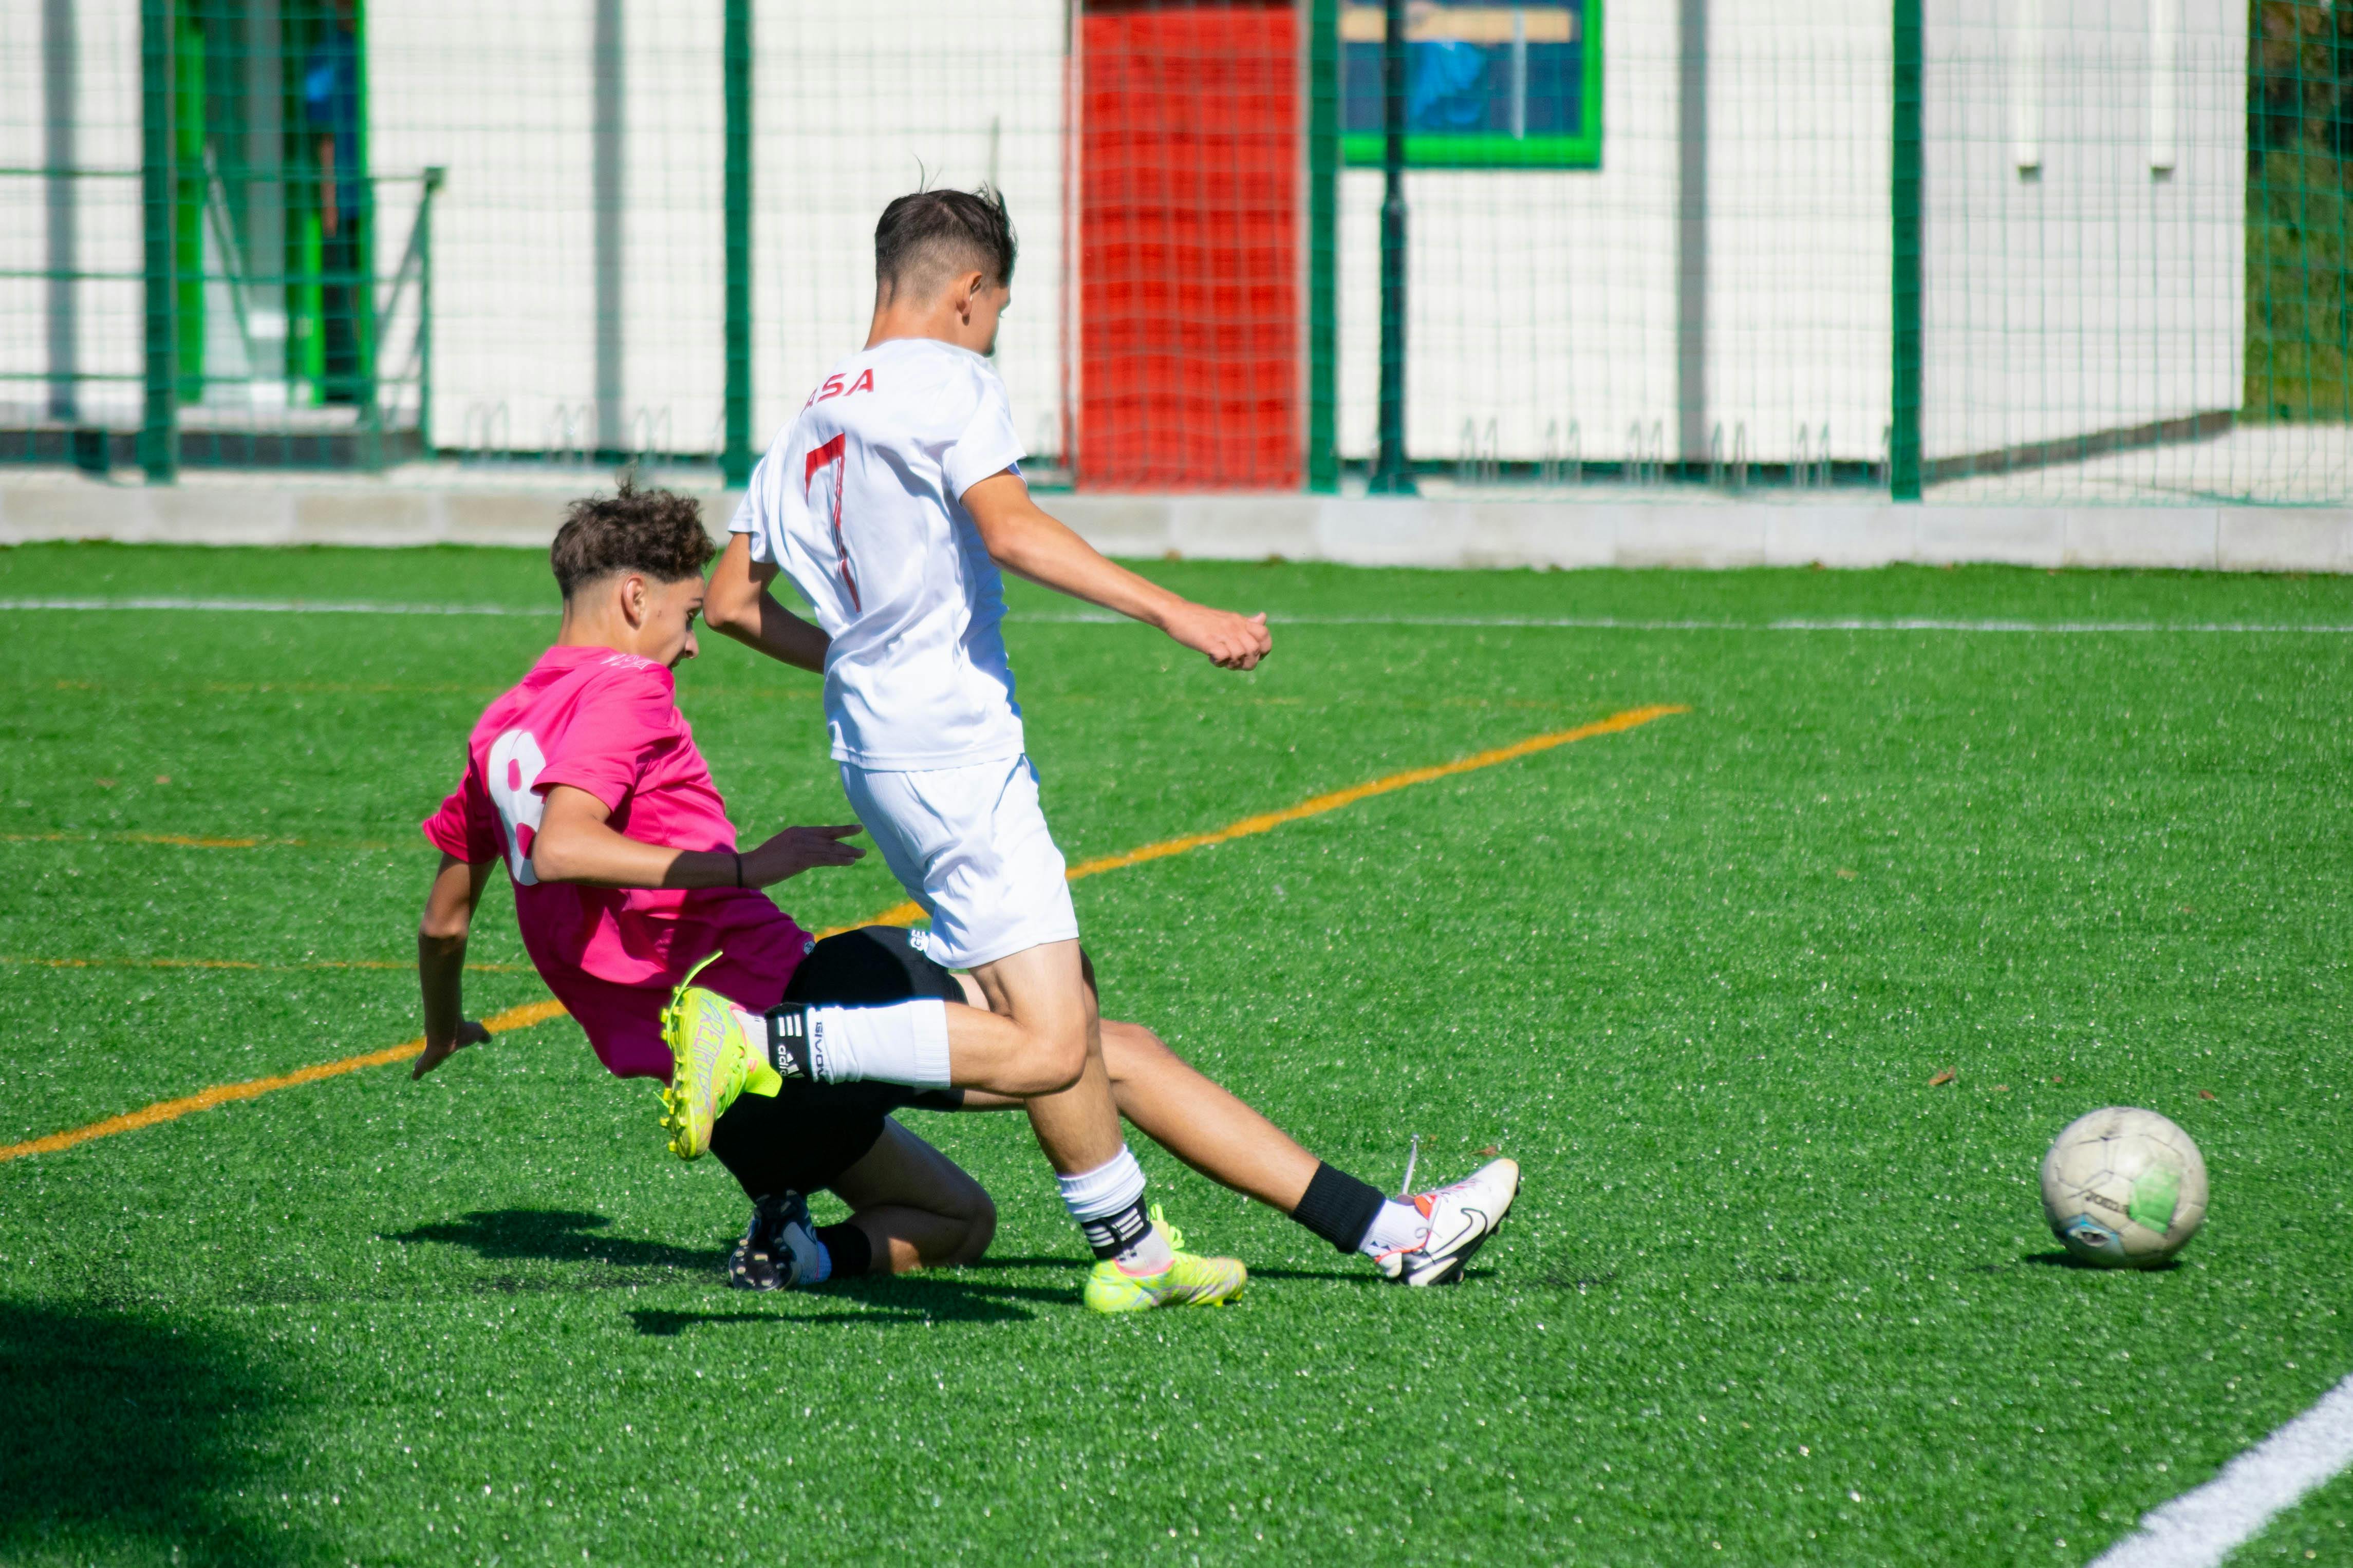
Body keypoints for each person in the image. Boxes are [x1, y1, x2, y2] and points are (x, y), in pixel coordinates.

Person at [703, 186, 1516, 1306]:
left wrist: (856, 657)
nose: (992, 332)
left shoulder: (807, 416)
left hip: (881, 752)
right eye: (995, 311)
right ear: (968, 292)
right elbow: (1013, 529)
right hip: (953, 753)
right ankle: (774, 1049)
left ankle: (1202, 1249)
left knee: (1084, 1031)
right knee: (1047, 1046)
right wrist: (1177, 613)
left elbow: (732, 604)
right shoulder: (950, 381)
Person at [416, 483, 1518, 1306]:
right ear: (632, 595)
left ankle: (796, 1251)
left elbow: (446, 916)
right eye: (689, 615)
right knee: (1088, 1041)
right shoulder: (625, 689)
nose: (693, 644)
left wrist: (444, 1023)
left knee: (957, 1220)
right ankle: (1388, 1232)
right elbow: (565, 847)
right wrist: (749, 867)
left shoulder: (501, 722)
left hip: (735, 1121)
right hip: (775, 1010)